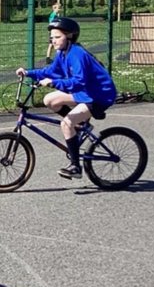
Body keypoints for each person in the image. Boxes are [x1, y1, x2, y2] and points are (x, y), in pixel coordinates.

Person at [14, 17, 117, 180]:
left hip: (99, 95)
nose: (53, 41)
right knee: (50, 100)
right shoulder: (63, 53)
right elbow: (50, 71)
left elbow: (78, 81)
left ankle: (76, 167)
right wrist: (28, 73)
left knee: (66, 123)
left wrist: (54, 83)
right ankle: (80, 125)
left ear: (69, 36)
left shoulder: (77, 54)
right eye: (51, 38)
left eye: (57, 37)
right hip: (85, 92)